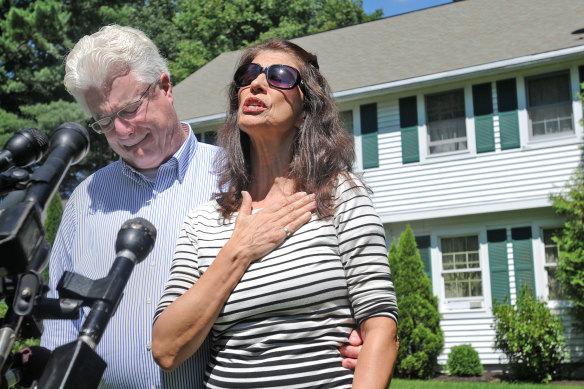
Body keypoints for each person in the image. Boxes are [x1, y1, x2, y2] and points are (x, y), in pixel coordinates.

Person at [40, 26, 361, 389]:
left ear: (165, 86)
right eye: (105, 120)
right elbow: (58, 328)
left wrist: (353, 339)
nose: (123, 130)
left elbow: (313, 282)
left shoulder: (242, 181)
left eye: (130, 109)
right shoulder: (85, 200)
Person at [152, 38, 399, 388]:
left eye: (280, 76)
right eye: (248, 74)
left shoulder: (339, 196)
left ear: (305, 112)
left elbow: (381, 328)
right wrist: (239, 251)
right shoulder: (203, 222)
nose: (256, 83)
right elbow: (165, 348)